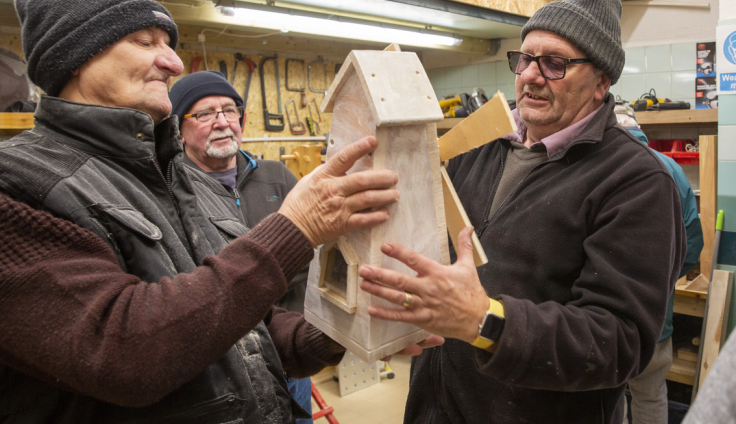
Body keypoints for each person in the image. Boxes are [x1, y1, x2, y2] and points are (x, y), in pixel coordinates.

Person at [0, 1, 441, 422]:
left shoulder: (187, 181)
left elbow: (253, 325)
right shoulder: (18, 185)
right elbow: (121, 352)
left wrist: (344, 334)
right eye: (144, 41)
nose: (172, 62)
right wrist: (297, 227)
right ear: (73, 54)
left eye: (168, 43)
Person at [358, 0, 687, 423]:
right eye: (526, 58)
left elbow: (618, 343)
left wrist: (485, 320)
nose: (531, 74)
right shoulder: (474, 145)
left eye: (554, 63)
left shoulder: (636, 182)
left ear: (601, 82)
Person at [169, 70, 313, 422]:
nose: (222, 122)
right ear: (178, 130)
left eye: (230, 110)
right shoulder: (173, 191)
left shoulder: (278, 175)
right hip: (227, 365)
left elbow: (314, 250)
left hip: (292, 343)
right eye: (204, 114)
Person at [615, 103, 703, 424]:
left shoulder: (600, 167)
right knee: (651, 394)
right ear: (640, 130)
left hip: (607, 317)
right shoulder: (673, 170)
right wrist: (666, 280)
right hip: (657, 318)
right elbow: (694, 242)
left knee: (609, 398)